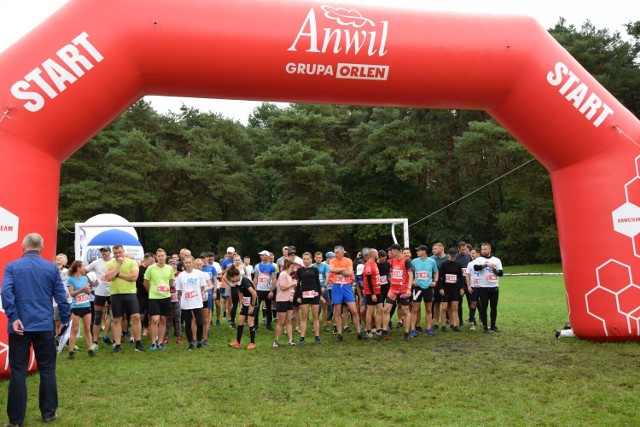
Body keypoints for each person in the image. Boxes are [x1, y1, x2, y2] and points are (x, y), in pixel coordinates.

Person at [1, 233, 70, 425]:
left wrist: (13, 316)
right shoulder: (51, 268)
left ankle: (15, 420)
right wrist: (64, 319)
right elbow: (61, 297)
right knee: (47, 369)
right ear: (42, 246)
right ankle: (48, 413)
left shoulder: (12, 267)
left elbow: (6, 292)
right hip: (44, 325)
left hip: (20, 326)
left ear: (23, 246)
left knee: (18, 371)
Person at [104, 244, 146, 353]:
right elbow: (109, 277)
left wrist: (117, 274)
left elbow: (133, 277)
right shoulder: (110, 264)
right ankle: (117, 344)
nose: (118, 255)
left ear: (123, 251)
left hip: (130, 293)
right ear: (113, 253)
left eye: (120, 252)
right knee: (117, 319)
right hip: (116, 294)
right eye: (116, 253)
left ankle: (138, 343)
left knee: (136, 317)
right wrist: (118, 264)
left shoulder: (132, 262)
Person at [328, 246, 364, 342]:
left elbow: (349, 273)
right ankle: (339, 333)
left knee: (354, 310)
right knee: (337, 311)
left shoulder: (348, 260)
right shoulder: (332, 261)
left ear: (342, 253)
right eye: (335, 252)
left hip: (347, 287)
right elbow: (332, 269)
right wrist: (343, 270)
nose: (335, 254)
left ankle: (359, 332)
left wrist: (338, 270)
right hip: (336, 287)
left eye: (337, 252)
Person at [379, 243, 413, 341]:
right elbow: (390, 273)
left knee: (405, 310)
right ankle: (385, 332)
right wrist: (392, 282)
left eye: (391, 250)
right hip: (393, 289)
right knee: (386, 309)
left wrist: (409, 288)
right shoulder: (392, 261)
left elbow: (410, 275)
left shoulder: (406, 261)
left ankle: (407, 333)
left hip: (403, 290)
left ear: (397, 250)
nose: (390, 252)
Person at [143, 248, 174, 350]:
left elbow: (170, 282)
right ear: (156, 257)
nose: (161, 258)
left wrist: (165, 289)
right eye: (159, 256)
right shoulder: (151, 268)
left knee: (163, 319)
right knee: (155, 319)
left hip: (165, 296)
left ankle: (160, 342)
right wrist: (151, 292)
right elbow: (146, 282)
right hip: (154, 297)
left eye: (163, 256)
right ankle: (153, 342)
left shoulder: (169, 268)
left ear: (165, 257)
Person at [174, 255, 205, 350]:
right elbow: (179, 290)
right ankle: (191, 342)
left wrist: (195, 294)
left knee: (199, 322)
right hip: (186, 303)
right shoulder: (181, 275)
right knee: (188, 323)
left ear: (192, 263)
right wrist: (186, 294)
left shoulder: (199, 274)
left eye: (189, 262)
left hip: (197, 302)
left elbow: (202, 286)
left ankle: (199, 340)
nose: (188, 264)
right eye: (186, 263)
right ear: (184, 263)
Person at [66, 260, 95, 359]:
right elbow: (72, 294)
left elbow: (88, 292)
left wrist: (88, 291)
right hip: (76, 307)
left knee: (87, 329)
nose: (84, 268)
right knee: (74, 329)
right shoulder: (71, 280)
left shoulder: (84, 278)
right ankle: (71, 351)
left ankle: (90, 349)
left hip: (86, 305)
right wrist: (82, 289)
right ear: (78, 268)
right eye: (83, 267)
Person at [472, 243, 504, 333]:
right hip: (483, 287)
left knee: (493, 307)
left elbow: (501, 273)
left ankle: (493, 326)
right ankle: (485, 327)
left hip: (494, 287)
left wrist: (494, 269)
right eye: (482, 249)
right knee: (484, 307)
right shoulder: (479, 259)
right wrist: (486, 265)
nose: (483, 251)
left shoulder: (496, 260)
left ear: (489, 250)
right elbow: (476, 268)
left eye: (485, 249)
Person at [295, 252, 324, 345]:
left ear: (311, 259)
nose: (306, 261)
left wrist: (320, 295)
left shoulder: (315, 270)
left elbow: (318, 283)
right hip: (304, 295)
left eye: (307, 259)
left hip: (314, 294)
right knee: (304, 317)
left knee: (315, 317)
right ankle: (302, 338)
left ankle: (317, 337)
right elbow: (298, 285)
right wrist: (298, 296)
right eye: (304, 259)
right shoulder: (299, 270)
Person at [87, 246, 113, 348]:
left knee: (112, 315)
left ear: (110, 252)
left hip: (113, 292)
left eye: (105, 251)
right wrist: (91, 283)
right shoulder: (96, 262)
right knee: (97, 317)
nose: (103, 253)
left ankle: (108, 337)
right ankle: (95, 341)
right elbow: (83, 271)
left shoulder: (114, 261)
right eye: (102, 251)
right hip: (100, 292)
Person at [227, 266, 259, 349]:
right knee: (240, 321)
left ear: (236, 276)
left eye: (231, 279)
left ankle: (252, 343)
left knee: (249, 321)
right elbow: (240, 292)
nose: (231, 281)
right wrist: (241, 303)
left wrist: (252, 305)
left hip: (253, 301)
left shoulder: (244, 281)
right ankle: (237, 342)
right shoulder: (238, 282)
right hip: (245, 302)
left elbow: (254, 294)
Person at [411, 245, 438, 336]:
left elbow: (436, 271)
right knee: (415, 309)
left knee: (428, 309)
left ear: (424, 251)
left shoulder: (432, 261)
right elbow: (409, 272)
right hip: (417, 287)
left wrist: (435, 281)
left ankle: (428, 329)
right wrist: (412, 281)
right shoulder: (414, 261)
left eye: (418, 251)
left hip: (428, 287)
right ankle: (412, 329)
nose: (417, 252)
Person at [436, 248, 465, 333]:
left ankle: (455, 325)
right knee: (444, 307)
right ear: (449, 255)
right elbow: (440, 277)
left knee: (455, 307)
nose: (453, 257)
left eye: (454, 256)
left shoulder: (458, 264)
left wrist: (462, 288)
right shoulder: (444, 264)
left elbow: (461, 277)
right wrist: (440, 288)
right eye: (452, 256)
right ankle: (443, 325)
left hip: (455, 288)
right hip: (446, 288)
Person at [271, 258, 297, 347]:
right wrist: (293, 284)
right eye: (293, 266)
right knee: (281, 322)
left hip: (289, 300)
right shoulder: (283, 274)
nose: (294, 268)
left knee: (289, 320)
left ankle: (290, 339)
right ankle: (276, 340)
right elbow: (282, 287)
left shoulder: (289, 276)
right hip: (282, 300)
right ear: (291, 266)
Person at [254, 250, 277, 331]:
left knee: (269, 307)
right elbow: (256, 278)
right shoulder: (257, 266)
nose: (261, 256)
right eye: (260, 255)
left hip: (267, 290)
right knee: (256, 307)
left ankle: (269, 324)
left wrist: (272, 291)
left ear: (267, 256)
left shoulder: (272, 267)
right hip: (259, 290)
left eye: (262, 255)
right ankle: (255, 324)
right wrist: (254, 289)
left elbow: (274, 279)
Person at [362, 248, 382, 337]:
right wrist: (372, 293)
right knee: (370, 311)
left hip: (378, 290)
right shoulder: (368, 265)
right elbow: (369, 280)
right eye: (377, 253)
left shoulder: (375, 264)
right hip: (371, 292)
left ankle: (378, 329)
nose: (378, 255)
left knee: (380, 309)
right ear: (374, 255)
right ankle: (368, 330)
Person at [137, 252, 155, 337]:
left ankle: (147, 329)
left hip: (151, 295)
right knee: (140, 315)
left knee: (151, 315)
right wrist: (146, 284)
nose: (152, 264)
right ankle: (137, 332)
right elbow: (137, 283)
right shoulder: (139, 269)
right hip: (141, 295)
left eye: (153, 262)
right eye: (151, 262)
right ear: (145, 260)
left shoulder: (152, 269)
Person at [430, 242, 448, 329]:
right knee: (436, 303)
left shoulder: (448, 258)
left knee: (448, 304)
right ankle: (436, 322)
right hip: (435, 283)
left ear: (441, 248)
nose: (433, 250)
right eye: (433, 249)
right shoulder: (431, 259)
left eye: (435, 249)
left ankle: (449, 321)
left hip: (446, 284)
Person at [455, 242, 473, 327]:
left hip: (468, 283)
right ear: (459, 249)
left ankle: (471, 319)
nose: (464, 251)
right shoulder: (455, 257)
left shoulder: (469, 256)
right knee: (459, 303)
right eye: (462, 249)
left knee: (471, 302)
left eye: (465, 249)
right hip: (459, 284)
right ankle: (460, 320)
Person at [465, 247, 481, 330]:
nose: (471, 255)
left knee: (483, 305)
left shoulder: (484, 262)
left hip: (483, 286)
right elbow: (467, 275)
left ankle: (484, 322)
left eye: (473, 253)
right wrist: (468, 286)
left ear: (478, 253)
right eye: (471, 253)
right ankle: (471, 321)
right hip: (473, 286)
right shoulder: (470, 264)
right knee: (473, 304)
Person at [314, 251, 331, 332]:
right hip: (315, 289)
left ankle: (324, 324)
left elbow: (327, 277)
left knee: (325, 307)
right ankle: (315, 325)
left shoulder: (325, 266)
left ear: (322, 258)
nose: (318, 259)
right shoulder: (312, 266)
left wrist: (324, 286)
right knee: (315, 308)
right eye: (317, 258)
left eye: (320, 258)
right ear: (314, 258)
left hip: (324, 288)